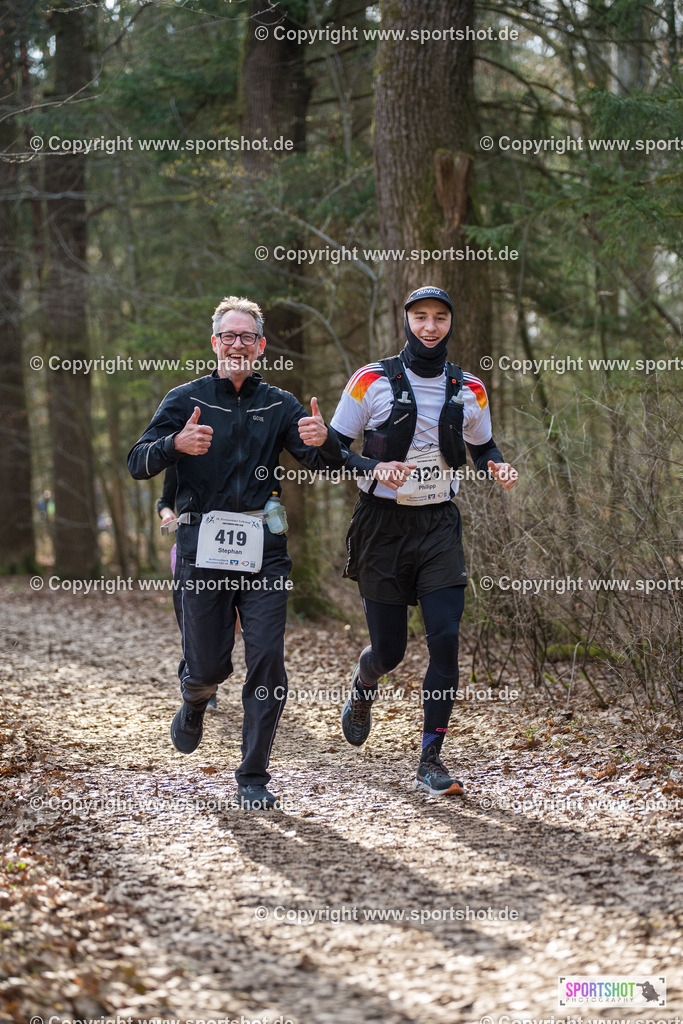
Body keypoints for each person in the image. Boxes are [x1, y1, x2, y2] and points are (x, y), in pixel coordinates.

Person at [128, 295, 345, 809]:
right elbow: (137, 462)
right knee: (205, 665)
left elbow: (319, 462)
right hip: (201, 548)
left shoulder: (281, 404)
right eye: (229, 335)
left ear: (261, 346)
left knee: (268, 657)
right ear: (215, 343)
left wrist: (326, 440)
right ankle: (195, 697)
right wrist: (173, 446)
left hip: (263, 548)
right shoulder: (185, 398)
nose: (238, 343)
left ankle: (252, 775)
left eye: (248, 336)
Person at [326, 285, 518, 797]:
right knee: (389, 650)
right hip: (382, 526)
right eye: (420, 318)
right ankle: (364, 685)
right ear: (406, 321)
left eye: (439, 318)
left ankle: (431, 756)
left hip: (438, 526)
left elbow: (483, 445)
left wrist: (495, 465)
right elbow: (332, 448)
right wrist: (373, 466)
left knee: (445, 639)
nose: (430, 327)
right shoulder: (371, 380)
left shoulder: (469, 387)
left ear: (450, 324)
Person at [157, 468, 218, 710]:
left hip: (230, 549)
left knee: (225, 621)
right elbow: (164, 501)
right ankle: (202, 685)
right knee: (194, 621)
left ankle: (210, 672)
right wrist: (167, 513)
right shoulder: (183, 451)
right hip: (188, 549)